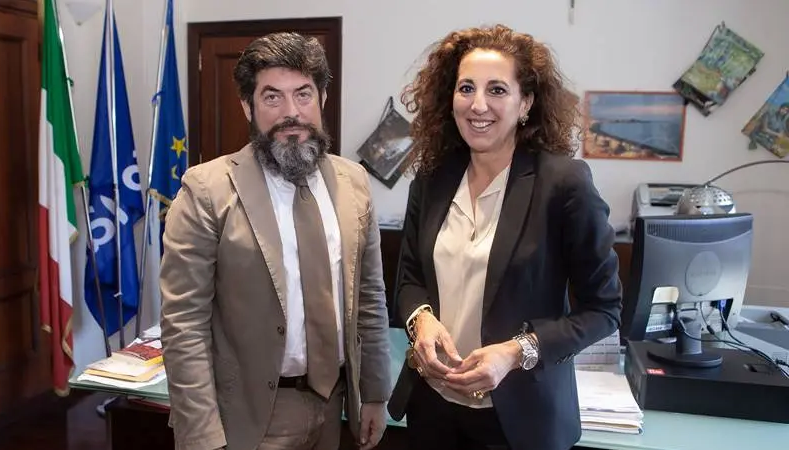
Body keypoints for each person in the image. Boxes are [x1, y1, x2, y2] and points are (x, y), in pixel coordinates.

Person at [386, 25, 623, 450]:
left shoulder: (563, 183)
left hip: (520, 421)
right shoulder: (433, 178)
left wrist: (516, 352)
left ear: (525, 102)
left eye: (497, 90)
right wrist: (421, 320)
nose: (478, 105)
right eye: (466, 88)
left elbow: (604, 309)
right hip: (433, 410)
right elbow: (409, 278)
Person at [160, 32, 392, 450]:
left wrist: (374, 393)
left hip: (334, 404)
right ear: (247, 106)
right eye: (272, 97)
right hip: (248, 419)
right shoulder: (206, 191)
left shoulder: (354, 182)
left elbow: (369, 298)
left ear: (322, 97)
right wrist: (202, 435)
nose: (291, 113)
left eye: (303, 94)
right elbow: (184, 325)